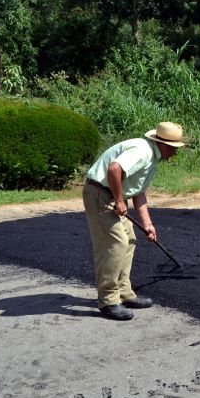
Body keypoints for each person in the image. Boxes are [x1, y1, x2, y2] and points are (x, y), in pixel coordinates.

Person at [83, 121, 187, 320]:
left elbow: (139, 193)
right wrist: (120, 200)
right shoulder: (142, 151)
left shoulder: (152, 157)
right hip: (99, 194)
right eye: (174, 149)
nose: (174, 154)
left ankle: (124, 292)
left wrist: (147, 224)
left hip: (111, 195)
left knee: (129, 239)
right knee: (115, 243)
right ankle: (108, 300)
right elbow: (114, 169)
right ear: (163, 145)